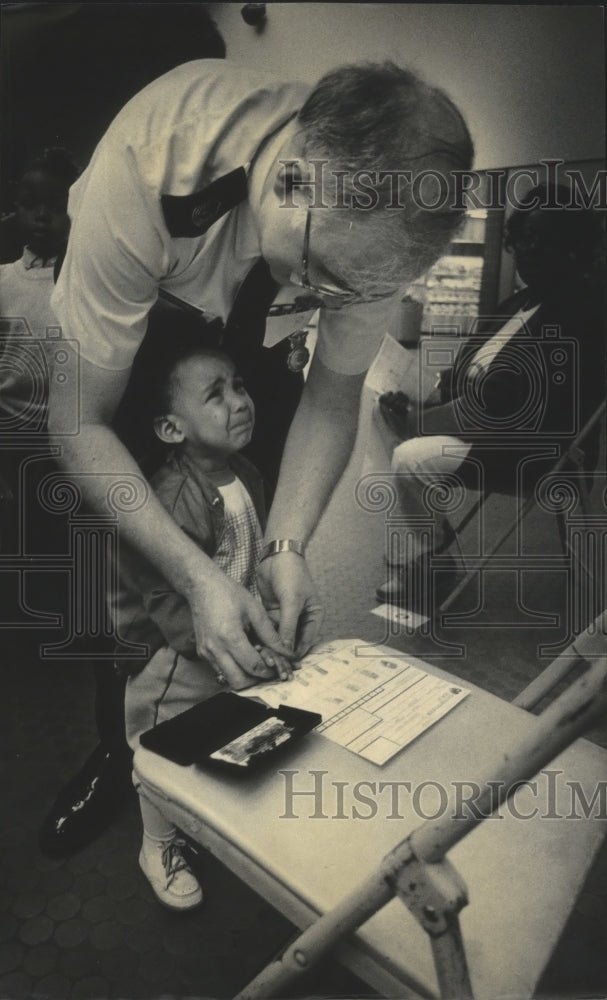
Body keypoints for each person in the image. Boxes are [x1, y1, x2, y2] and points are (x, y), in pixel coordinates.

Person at [46, 59, 474, 847]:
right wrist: (193, 576)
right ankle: (120, 753)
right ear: (291, 184)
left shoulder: (361, 245)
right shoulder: (152, 157)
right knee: (130, 571)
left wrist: (285, 545)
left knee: (246, 533)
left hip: (250, 347)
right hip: (143, 351)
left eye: (359, 293)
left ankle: (222, 736)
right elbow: (75, 426)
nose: (336, 302)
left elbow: (329, 396)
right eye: (328, 278)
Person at [116, 338, 293, 910]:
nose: (239, 401)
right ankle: (157, 843)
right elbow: (167, 599)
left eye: (237, 385)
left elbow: (252, 558)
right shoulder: (170, 497)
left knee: (228, 729)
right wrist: (217, 650)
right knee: (159, 751)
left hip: (226, 641)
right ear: (171, 429)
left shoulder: (246, 473)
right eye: (215, 396)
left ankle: (204, 819)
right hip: (178, 657)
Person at [375, 182, 605, 607]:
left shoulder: (577, 314)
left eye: (533, 242)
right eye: (518, 241)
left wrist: (419, 419)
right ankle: (433, 555)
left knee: (409, 457)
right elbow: (467, 370)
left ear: (568, 247)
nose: (520, 253)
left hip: (535, 451)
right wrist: (423, 397)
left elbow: (498, 407)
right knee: (392, 431)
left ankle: (434, 564)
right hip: (491, 434)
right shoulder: (522, 301)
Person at [0, 147, 79, 550]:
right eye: (31, 205)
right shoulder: (3, 282)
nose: (43, 216)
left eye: (56, 205)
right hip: (14, 447)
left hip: (75, 442)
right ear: (15, 208)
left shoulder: (86, 284)